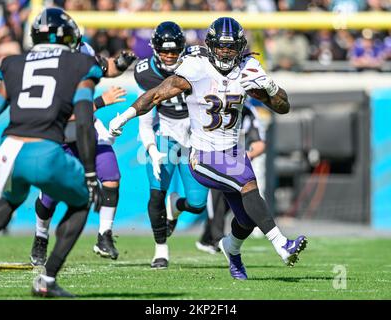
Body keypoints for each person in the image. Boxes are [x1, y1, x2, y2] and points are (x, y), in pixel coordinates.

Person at [109, 17, 308, 280]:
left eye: (231, 47)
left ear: (241, 47)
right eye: (221, 47)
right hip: (203, 154)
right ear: (210, 46)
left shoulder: (247, 67)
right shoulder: (196, 67)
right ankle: (282, 245)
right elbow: (156, 95)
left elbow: (283, 107)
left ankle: (231, 250)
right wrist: (123, 118)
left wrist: (271, 86)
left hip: (233, 152)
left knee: (247, 219)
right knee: (247, 184)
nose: (226, 52)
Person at [0, 7, 101, 297]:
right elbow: (85, 121)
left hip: (9, 152)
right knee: (82, 201)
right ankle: (47, 280)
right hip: (44, 152)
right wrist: (90, 171)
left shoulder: (14, 63)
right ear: (68, 37)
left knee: (4, 206)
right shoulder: (81, 63)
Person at [29, 16, 137, 266]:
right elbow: (59, 109)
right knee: (50, 195)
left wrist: (121, 63)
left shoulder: (82, 51)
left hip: (86, 130)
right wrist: (100, 102)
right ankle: (41, 235)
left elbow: (104, 67)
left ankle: (104, 234)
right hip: (57, 131)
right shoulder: (47, 66)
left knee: (110, 176)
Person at [134, 21, 208, 269]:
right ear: (155, 49)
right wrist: (152, 150)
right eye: (164, 51)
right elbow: (145, 121)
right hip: (164, 135)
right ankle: (160, 251)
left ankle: (176, 206)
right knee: (156, 193)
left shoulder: (196, 66)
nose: (168, 56)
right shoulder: (147, 73)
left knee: (197, 204)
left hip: (193, 139)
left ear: (182, 49)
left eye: (173, 51)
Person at [196, 103, 267, 254]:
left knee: (241, 205)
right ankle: (216, 239)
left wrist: (248, 155)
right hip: (214, 159)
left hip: (238, 164)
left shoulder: (247, 112)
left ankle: (207, 238)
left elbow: (259, 142)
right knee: (214, 199)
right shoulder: (212, 106)